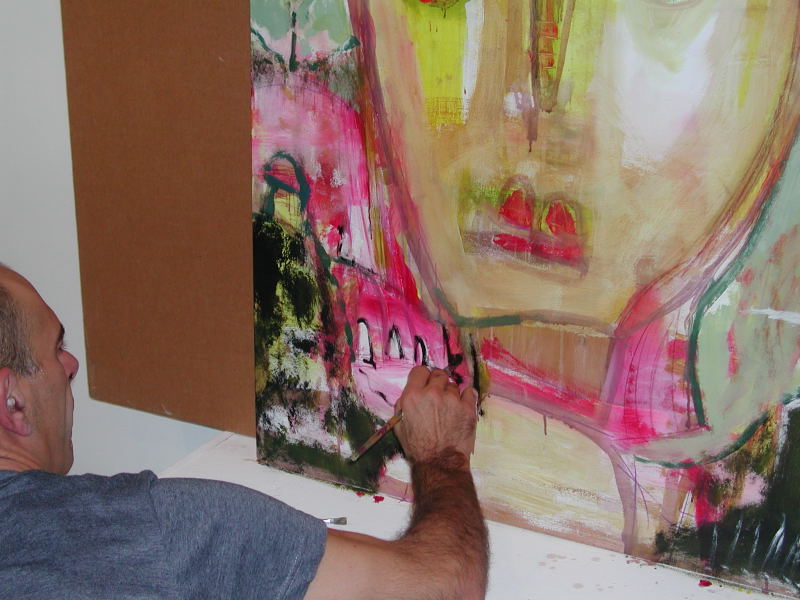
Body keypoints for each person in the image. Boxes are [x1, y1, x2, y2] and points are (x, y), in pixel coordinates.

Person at [0, 264, 488, 599]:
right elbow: (440, 586)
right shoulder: (159, 529)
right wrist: (441, 454)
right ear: (11, 401)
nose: (71, 363)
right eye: (55, 348)